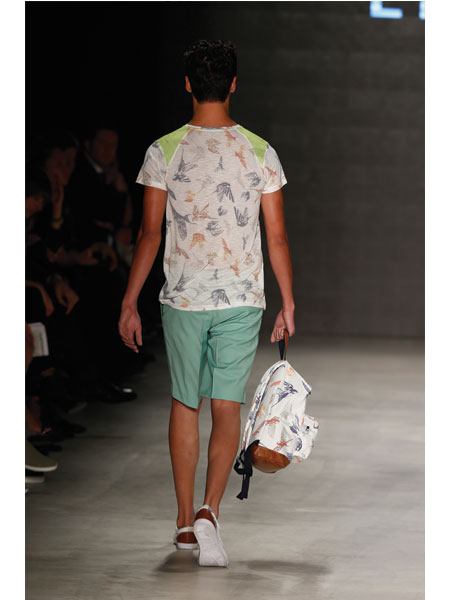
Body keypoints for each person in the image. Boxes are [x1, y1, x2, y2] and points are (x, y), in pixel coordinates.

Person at [118, 39, 295, 567]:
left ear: (188, 84)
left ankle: (183, 524)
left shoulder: (163, 151)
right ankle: (209, 511)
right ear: (234, 84)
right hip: (242, 298)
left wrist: (129, 302)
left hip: (183, 298)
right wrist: (288, 302)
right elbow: (276, 236)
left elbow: (149, 235)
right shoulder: (260, 152)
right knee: (226, 406)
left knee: (184, 403)